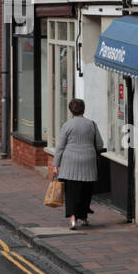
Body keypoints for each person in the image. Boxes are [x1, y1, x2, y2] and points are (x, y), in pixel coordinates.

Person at [51, 98, 105, 230]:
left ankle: (73, 219)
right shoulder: (92, 124)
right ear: (83, 109)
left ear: (71, 110)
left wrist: (56, 164)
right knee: (86, 191)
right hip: (88, 162)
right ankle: (84, 217)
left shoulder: (67, 125)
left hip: (70, 163)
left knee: (71, 193)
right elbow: (100, 144)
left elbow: (60, 147)